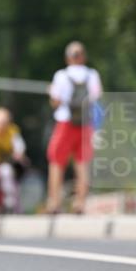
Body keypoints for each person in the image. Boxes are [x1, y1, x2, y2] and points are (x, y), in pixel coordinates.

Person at [46, 41, 102, 214]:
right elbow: (96, 97)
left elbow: (56, 101)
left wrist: (51, 93)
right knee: (82, 163)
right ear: (84, 57)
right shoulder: (92, 75)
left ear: (67, 58)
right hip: (85, 123)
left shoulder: (61, 75)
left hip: (65, 122)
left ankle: (55, 202)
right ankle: (80, 203)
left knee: (57, 161)